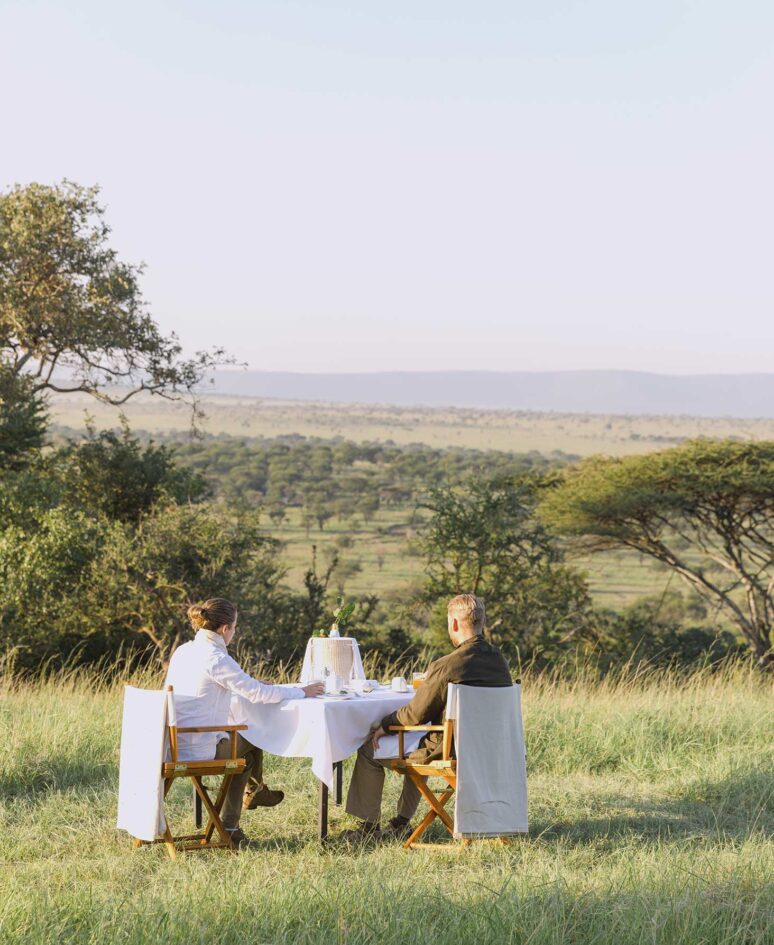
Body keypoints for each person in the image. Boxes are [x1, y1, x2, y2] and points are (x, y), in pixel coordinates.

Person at [340, 593, 512, 843]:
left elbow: (415, 714)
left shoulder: (447, 665)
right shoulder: (500, 663)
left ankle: (368, 829)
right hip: (490, 751)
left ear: (454, 623)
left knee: (369, 751)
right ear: (481, 621)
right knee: (421, 741)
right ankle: (400, 823)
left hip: (450, 750)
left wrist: (385, 725)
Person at [165, 598, 324, 847]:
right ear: (224, 629)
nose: (234, 633)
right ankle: (245, 806)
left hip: (173, 742)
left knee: (246, 747)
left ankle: (249, 801)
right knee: (253, 735)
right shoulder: (216, 658)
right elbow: (257, 694)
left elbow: (215, 687)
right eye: (235, 627)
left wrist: (257, 684)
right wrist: (302, 691)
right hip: (197, 748)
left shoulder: (184, 651)